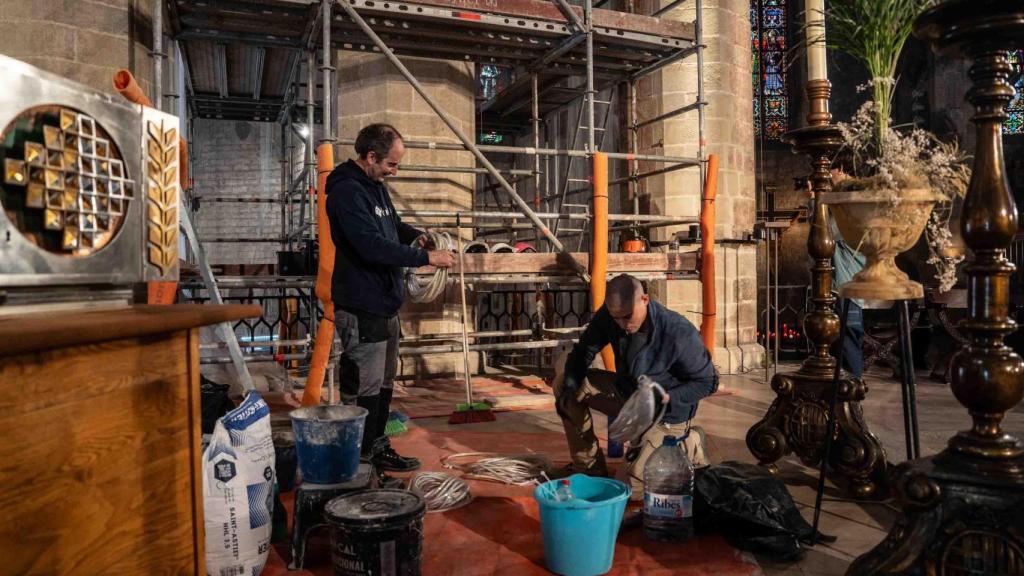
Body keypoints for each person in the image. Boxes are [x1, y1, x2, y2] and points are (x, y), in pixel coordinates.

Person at [325, 123, 455, 480]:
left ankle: (377, 447)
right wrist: (427, 260)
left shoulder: (375, 187)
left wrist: (419, 237)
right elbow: (369, 245)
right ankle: (359, 462)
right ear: (370, 157)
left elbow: (392, 226)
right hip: (362, 303)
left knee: (383, 384)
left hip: (384, 303)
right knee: (363, 388)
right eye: (391, 164)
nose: (394, 171)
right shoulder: (346, 192)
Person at [552, 274, 718, 497]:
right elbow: (584, 350)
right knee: (564, 383)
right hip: (628, 396)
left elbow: (709, 382)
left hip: (666, 414)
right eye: (616, 318)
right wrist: (571, 387)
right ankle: (589, 468)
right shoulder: (612, 315)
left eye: (627, 317)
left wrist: (665, 397)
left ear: (645, 300)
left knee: (629, 490)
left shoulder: (678, 332)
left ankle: (690, 443)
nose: (622, 324)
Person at [806, 169, 865, 377]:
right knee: (837, 344)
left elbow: (826, 232)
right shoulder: (845, 207)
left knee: (847, 344)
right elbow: (817, 231)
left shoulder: (854, 209)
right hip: (838, 287)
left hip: (847, 288)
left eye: (835, 170)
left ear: (845, 172)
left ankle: (852, 394)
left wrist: (818, 201)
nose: (830, 174)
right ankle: (840, 394)